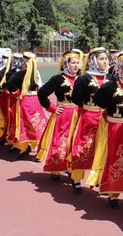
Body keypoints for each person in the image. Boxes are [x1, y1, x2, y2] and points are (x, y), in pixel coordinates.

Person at [93, 52, 123, 208]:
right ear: (120, 68)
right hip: (116, 128)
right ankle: (113, 193)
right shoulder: (110, 86)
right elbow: (98, 101)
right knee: (115, 159)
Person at [69, 47, 110, 194]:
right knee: (83, 147)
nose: (104, 62)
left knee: (102, 148)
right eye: (101, 59)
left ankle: (98, 177)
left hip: (104, 120)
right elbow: (75, 97)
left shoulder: (109, 78)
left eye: (106, 59)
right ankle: (76, 178)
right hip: (88, 117)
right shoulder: (84, 78)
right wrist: (87, 107)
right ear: (93, 60)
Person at [36, 50, 82, 181]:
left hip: (78, 114)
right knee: (60, 141)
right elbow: (42, 93)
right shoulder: (58, 79)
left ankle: (70, 166)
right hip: (63, 115)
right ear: (66, 64)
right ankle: (55, 168)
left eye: (78, 63)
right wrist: (52, 108)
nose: (76, 66)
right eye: (73, 63)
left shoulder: (81, 79)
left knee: (74, 141)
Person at [6, 52, 48, 158]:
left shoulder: (20, 73)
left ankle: (24, 147)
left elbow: (10, 84)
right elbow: (41, 87)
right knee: (37, 124)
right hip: (36, 101)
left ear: (25, 62)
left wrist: (16, 93)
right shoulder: (36, 73)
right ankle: (38, 147)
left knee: (23, 124)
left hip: (25, 100)